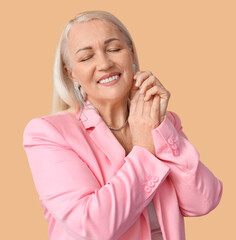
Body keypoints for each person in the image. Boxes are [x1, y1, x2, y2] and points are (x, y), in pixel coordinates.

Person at [23, 10, 223, 240]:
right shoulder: (47, 134)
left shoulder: (161, 121)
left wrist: (159, 128)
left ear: (132, 53)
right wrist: (144, 150)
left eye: (113, 49)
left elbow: (204, 201)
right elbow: (92, 227)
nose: (105, 63)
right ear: (72, 74)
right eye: (87, 57)